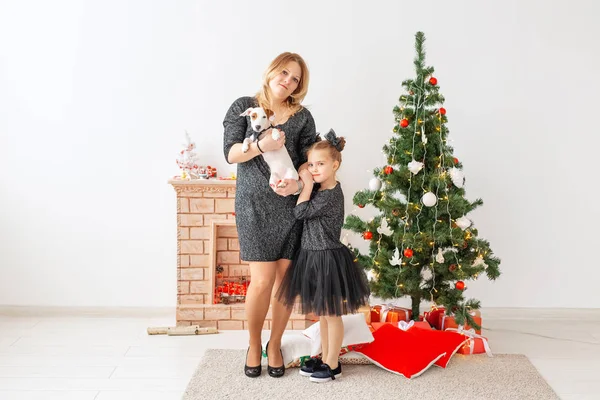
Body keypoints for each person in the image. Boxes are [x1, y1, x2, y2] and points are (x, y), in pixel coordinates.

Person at [222, 52, 318, 378]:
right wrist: (261, 146)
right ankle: (253, 344)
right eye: (284, 72)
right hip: (253, 206)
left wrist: (296, 184)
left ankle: (274, 344)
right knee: (261, 282)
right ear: (271, 71)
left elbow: (307, 161)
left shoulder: (303, 117)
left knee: (285, 284)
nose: (287, 81)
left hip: (289, 207)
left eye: (295, 79)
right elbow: (232, 153)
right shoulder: (243, 106)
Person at [276, 130, 371, 383]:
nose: (314, 169)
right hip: (312, 256)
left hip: (326, 258)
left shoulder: (330, 195)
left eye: (320, 164)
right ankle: (326, 356)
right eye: (311, 165)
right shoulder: (321, 190)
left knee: (331, 315)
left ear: (335, 164)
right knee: (323, 313)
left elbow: (300, 212)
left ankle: (332, 362)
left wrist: (305, 184)